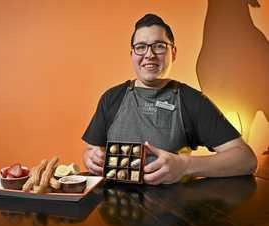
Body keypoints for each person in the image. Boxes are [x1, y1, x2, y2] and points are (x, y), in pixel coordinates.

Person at [82, 13, 257, 185]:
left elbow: (246, 160)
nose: (149, 54)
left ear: (173, 52)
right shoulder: (111, 97)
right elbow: (92, 149)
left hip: (171, 209)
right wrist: (91, 157)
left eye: (159, 46)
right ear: (132, 54)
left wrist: (185, 166)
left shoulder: (191, 100)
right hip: (115, 207)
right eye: (141, 47)